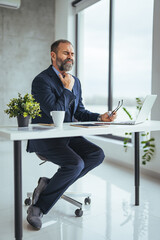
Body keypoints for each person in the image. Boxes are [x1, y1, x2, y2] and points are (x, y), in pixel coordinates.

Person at [26, 39, 116, 229]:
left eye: (72, 54)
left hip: (67, 136)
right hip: (45, 137)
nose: (70, 57)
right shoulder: (41, 81)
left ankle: (48, 185)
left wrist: (101, 117)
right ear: (53, 56)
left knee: (96, 154)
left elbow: (79, 112)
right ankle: (38, 208)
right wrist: (66, 89)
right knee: (75, 163)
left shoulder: (75, 82)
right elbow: (54, 113)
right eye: (66, 53)